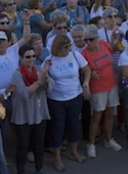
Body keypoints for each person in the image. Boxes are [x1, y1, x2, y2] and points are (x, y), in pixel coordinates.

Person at [45, 35, 90, 172]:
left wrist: (86, 84)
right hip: (56, 99)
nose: (69, 49)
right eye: (66, 47)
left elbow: (87, 70)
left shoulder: (75, 55)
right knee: (58, 127)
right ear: (58, 47)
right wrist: (45, 70)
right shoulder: (50, 60)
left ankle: (73, 151)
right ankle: (57, 156)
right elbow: (42, 79)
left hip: (75, 96)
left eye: (69, 46)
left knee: (74, 124)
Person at [80, 26, 121, 158]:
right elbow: (82, 70)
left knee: (109, 113)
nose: (88, 43)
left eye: (91, 40)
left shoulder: (104, 44)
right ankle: (91, 144)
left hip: (111, 84)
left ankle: (109, 140)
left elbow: (114, 49)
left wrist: (117, 41)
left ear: (97, 38)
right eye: (85, 40)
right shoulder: (84, 54)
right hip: (97, 88)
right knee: (96, 116)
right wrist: (90, 73)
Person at [10, 44, 50, 174]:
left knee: (39, 144)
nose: (31, 59)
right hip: (23, 113)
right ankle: (20, 170)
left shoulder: (39, 69)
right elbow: (25, 93)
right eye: (27, 57)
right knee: (23, 146)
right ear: (21, 58)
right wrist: (40, 80)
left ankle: (39, 168)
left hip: (39, 112)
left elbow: (50, 87)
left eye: (33, 56)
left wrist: (46, 77)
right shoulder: (17, 74)